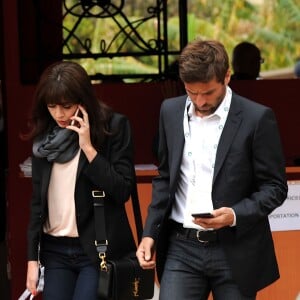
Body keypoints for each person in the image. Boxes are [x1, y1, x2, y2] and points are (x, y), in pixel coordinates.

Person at [136, 39, 288, 299]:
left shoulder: (257, 118)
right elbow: (165, 178)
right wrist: (150, 233)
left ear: (227, 76)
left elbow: (275, 187)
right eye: (191, 91)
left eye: (208, 92)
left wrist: (233, 215)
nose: (200, 100)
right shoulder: (169, 111)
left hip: (235, 248)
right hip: (180, 247)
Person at [24, 61, 137, 299]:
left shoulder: (113, 128)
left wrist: (87, 148)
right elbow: (37, 204)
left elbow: (122, 189)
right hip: (55, 249)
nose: (59, 114)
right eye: (52, 106)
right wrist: (32, 259)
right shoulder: (45, 139)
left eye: (66, 106)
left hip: (97, 250)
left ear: (83, 99)